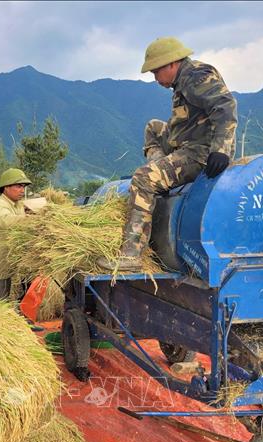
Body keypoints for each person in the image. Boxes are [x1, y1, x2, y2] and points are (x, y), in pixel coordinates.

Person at [98, 37, 237, 271]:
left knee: (143, 178)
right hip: (183, 143)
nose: (155, 79)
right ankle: (160, 171)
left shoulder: (197, 76)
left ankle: (131, 255)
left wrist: (221, 150)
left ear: (170, 64)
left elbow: (225, 107)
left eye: (156, 73)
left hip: (200, 153)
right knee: (153, 126)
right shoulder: (180, 83)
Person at [0, 168, 32, 301]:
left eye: (23, 186)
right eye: (18, 186)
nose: (22, 190)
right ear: (6, 187)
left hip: (6, 263)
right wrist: (31, 219)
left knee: (4, 301)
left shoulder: (17, 204)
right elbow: (8, 222)